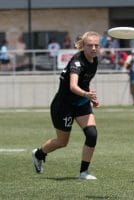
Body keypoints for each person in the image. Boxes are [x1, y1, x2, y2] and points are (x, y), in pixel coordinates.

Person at [32, 31, 101, 180]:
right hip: (64, 105)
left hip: (81, 103)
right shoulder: (77, 62)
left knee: (92, 135)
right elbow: (73, 86)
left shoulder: (94, 61)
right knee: (62, 142)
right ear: (83, 46)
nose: (94, 48)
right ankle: (38, 154)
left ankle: (83, 173)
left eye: (96, 45)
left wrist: (91, 98)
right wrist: (86, 95)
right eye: (90, 45)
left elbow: (84, 83)